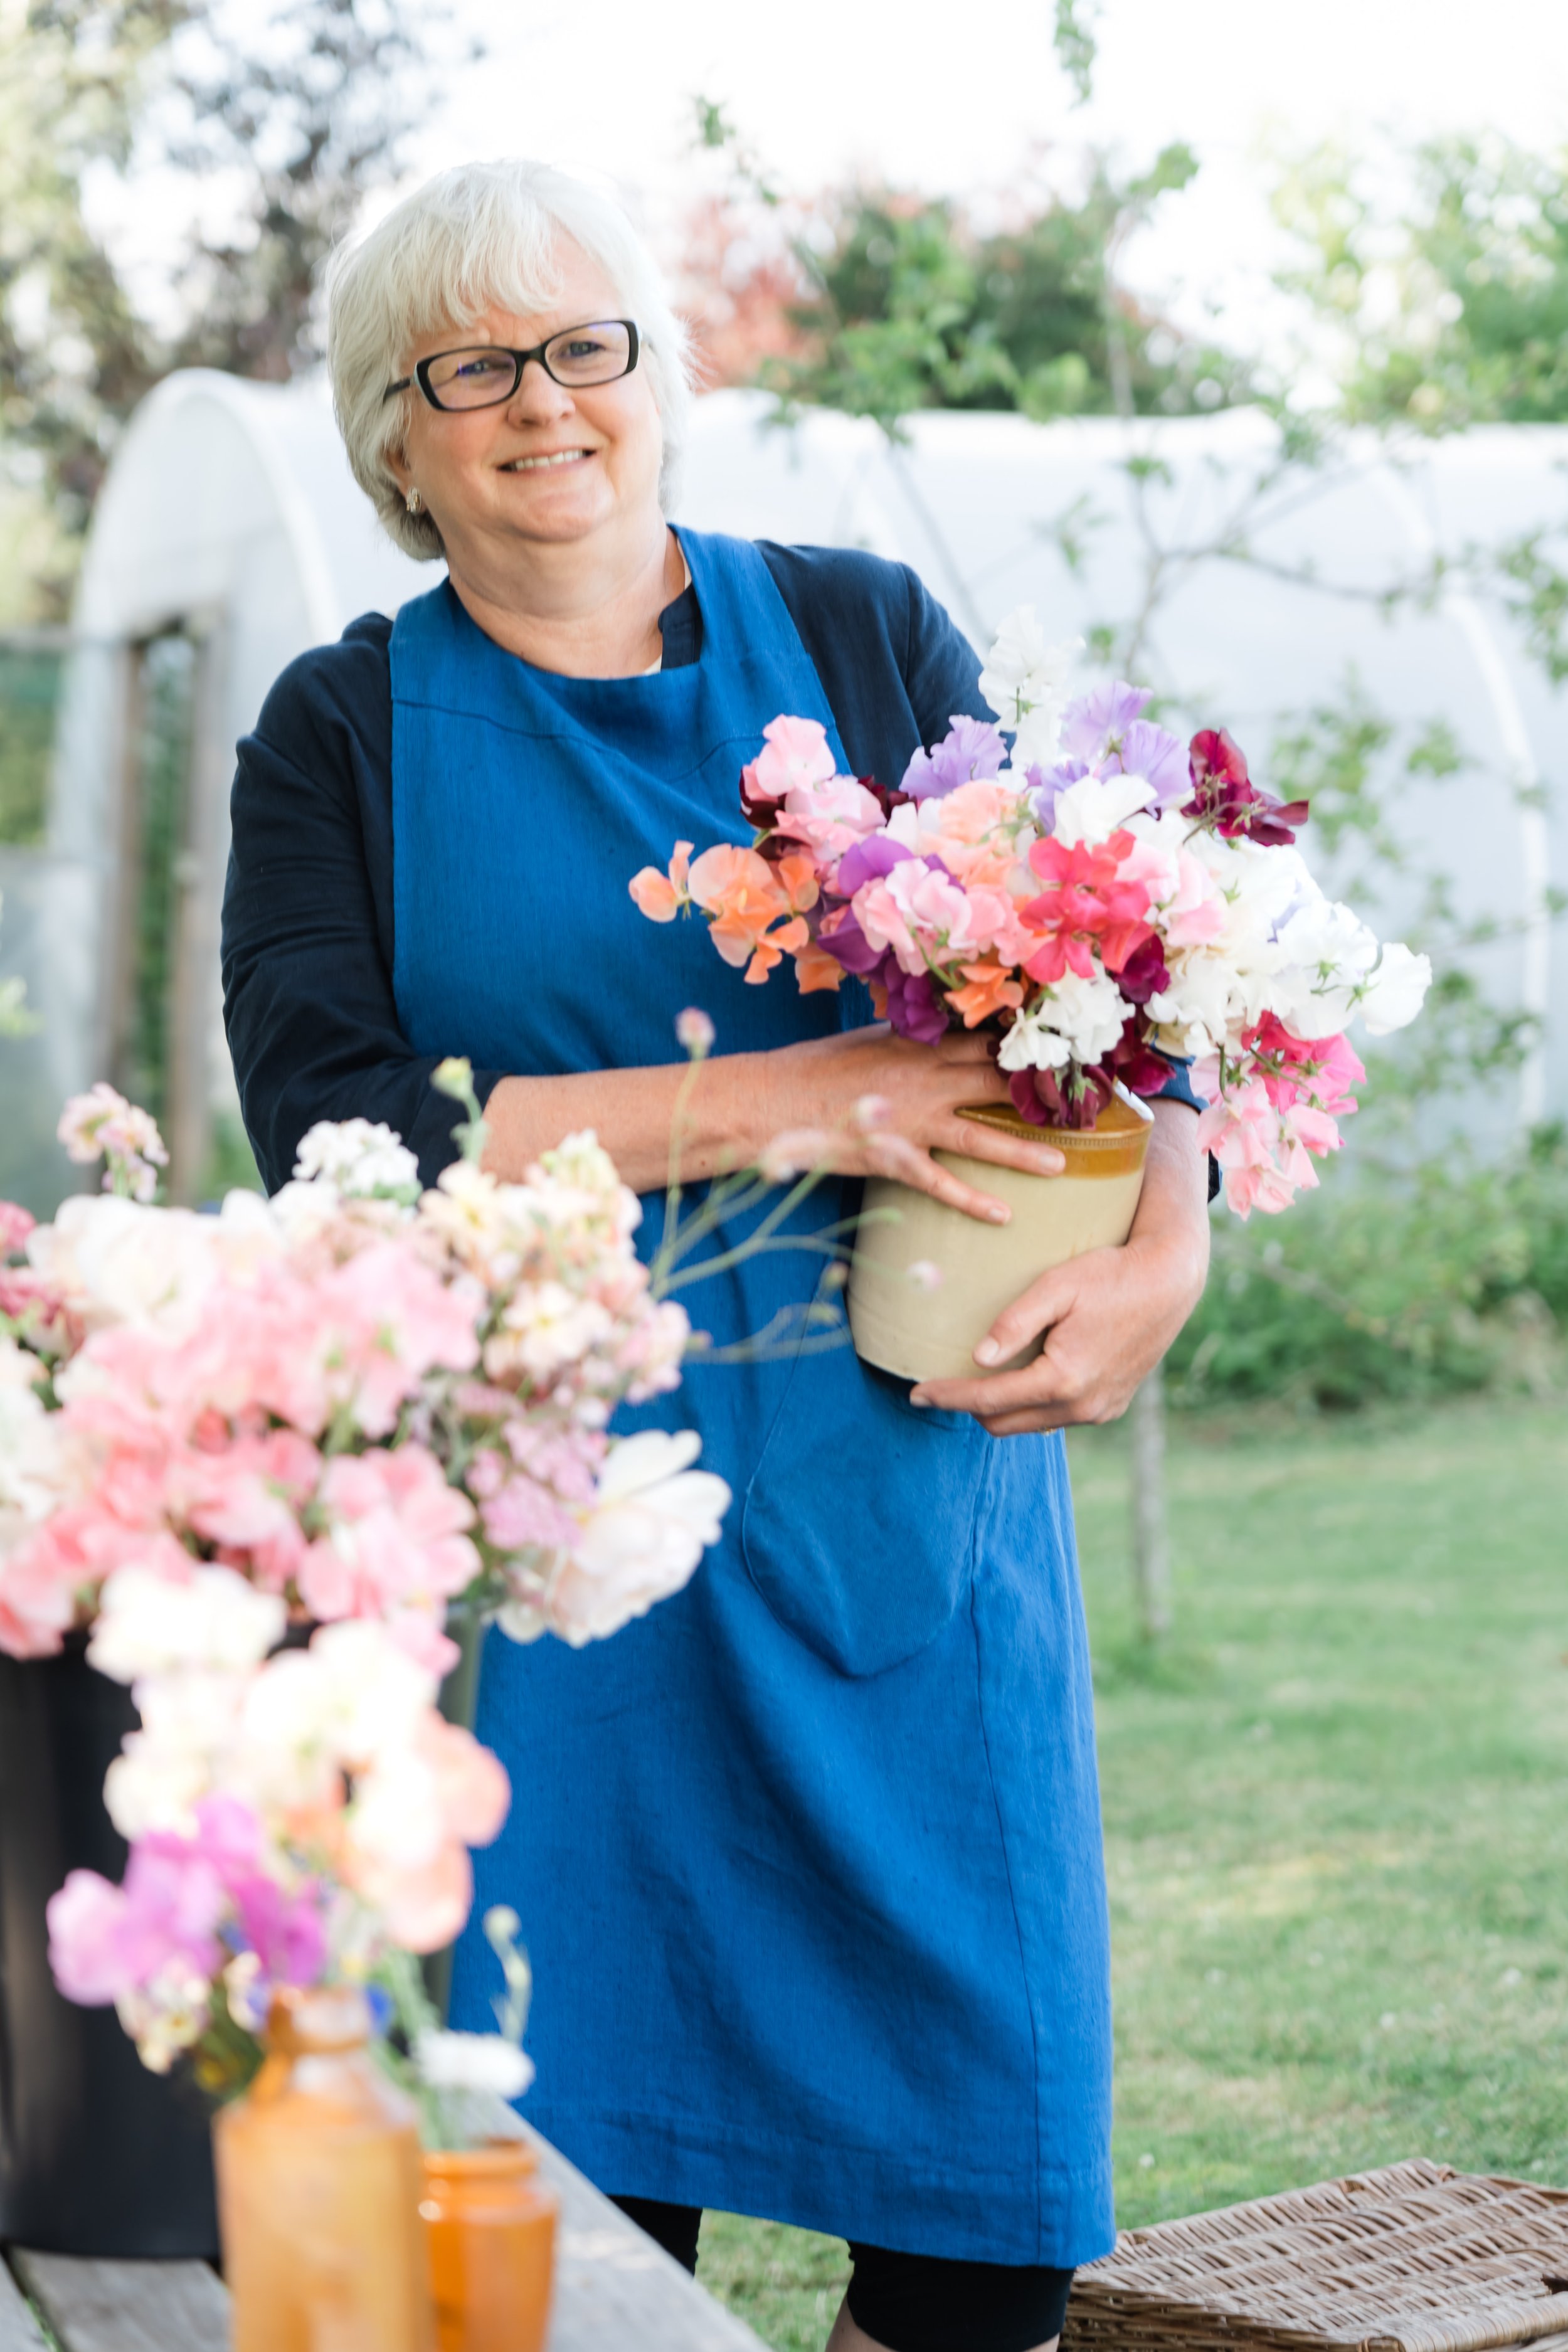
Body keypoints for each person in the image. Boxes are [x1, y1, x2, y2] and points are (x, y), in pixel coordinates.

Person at [221, 157, 1212, 2352]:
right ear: (396, 435)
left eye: (586, 348)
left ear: (658, 379)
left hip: (902, 1505)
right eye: (466, 366)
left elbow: (1106, 987)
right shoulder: (339, 731)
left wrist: (1174, 1235)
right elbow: (333, 1137)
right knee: (574, 2242)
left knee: (986, 2259)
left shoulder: (862, 632)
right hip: (546, 1550)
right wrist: (787, 1099)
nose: (540, 404)